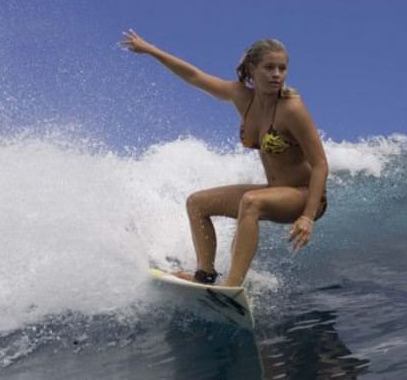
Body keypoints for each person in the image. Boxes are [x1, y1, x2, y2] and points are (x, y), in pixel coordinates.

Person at [120, 30, 328, 287]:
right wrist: (151, 50)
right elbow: (195, 76)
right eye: (269, 67)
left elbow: (320, 164)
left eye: (282, 68)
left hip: (305, 195)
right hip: (276, 191)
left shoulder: (291, 108)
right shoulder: (241, 96)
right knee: (197, 203)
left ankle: (232, 287)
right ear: (252, 68)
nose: (277, 74)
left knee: (251, 202)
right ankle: (205, 275)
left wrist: (307, 216)